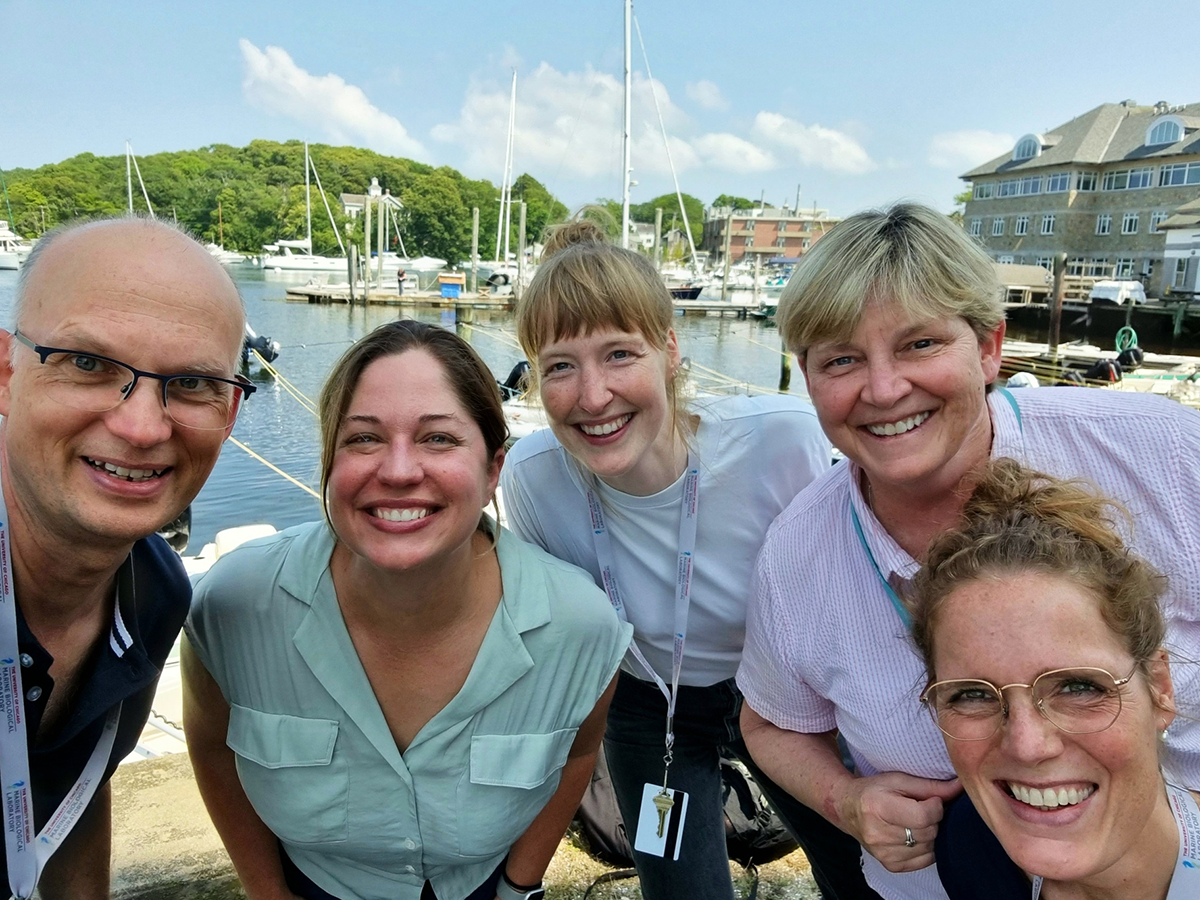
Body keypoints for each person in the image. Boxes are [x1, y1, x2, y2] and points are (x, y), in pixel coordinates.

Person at [736, 201, 1200, 900]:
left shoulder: (1161, 453)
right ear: (806, 377)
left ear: (989, 347)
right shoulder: (799, 556)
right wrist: (847, 800)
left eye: (920, 344)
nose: (885, 389)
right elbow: (772, 720)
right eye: (842, 359)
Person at [183, 319, 630, 900]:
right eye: (363, 438)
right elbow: (215, 748)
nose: (397, 471)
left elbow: (579, 752)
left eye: (439, 438)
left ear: (492, 469)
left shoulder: (579, 628)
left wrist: (520, 886)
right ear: (330, 461)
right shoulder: (235, 607)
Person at [501, 220, 877, 900]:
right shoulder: (532, 477)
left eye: (620, 355)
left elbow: (856, 587)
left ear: (669, 351)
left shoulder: (780, 441)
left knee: (862, 874)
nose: (592, 397)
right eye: (560, 365)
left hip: (787, 692)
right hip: (649, 706)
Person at [0, 216, 250, 899]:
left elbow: (76, 794)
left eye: (193, 382)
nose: (141, 427)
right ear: (6, 373)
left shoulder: (154, 590)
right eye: (88, 364)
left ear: (228, 414)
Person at [910, 459, 1194, 899]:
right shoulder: (969, 848)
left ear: (1159, 688)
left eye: (1079, 687)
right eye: (971, 695)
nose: (1027, 746)